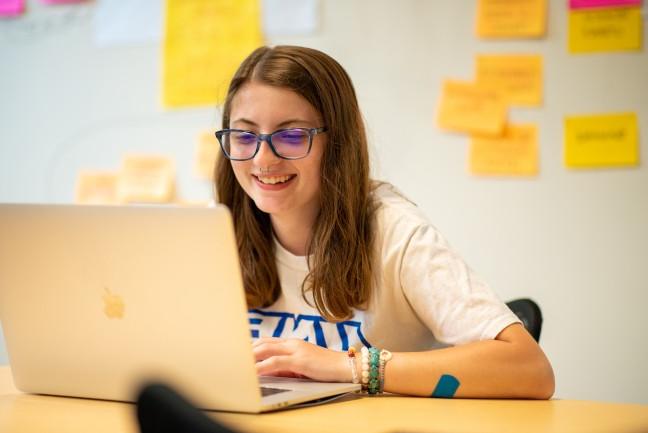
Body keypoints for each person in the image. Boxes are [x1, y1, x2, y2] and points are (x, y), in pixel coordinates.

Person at [214, 45, 554, 398]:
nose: (263, 158)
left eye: (292, 135)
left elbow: (530, 368)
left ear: (338, 143)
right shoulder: (216, 230)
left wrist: (352, 367)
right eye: (244, 135)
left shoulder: (395, 231)